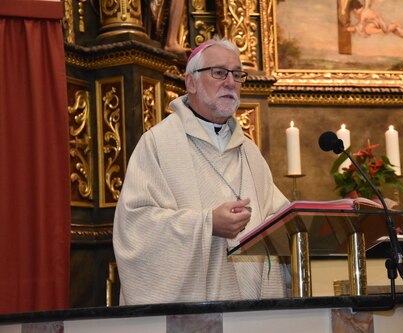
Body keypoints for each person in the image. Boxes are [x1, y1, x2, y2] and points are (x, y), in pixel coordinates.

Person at [113, 36, 291, 305]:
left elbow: (278, 216)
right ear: (191, 82)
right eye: (219, 73)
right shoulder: (159, 143)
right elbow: (136, 228)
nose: (230, 82)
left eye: (237, 74)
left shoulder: (248, 150)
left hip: (254, 309)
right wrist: (207, 224)